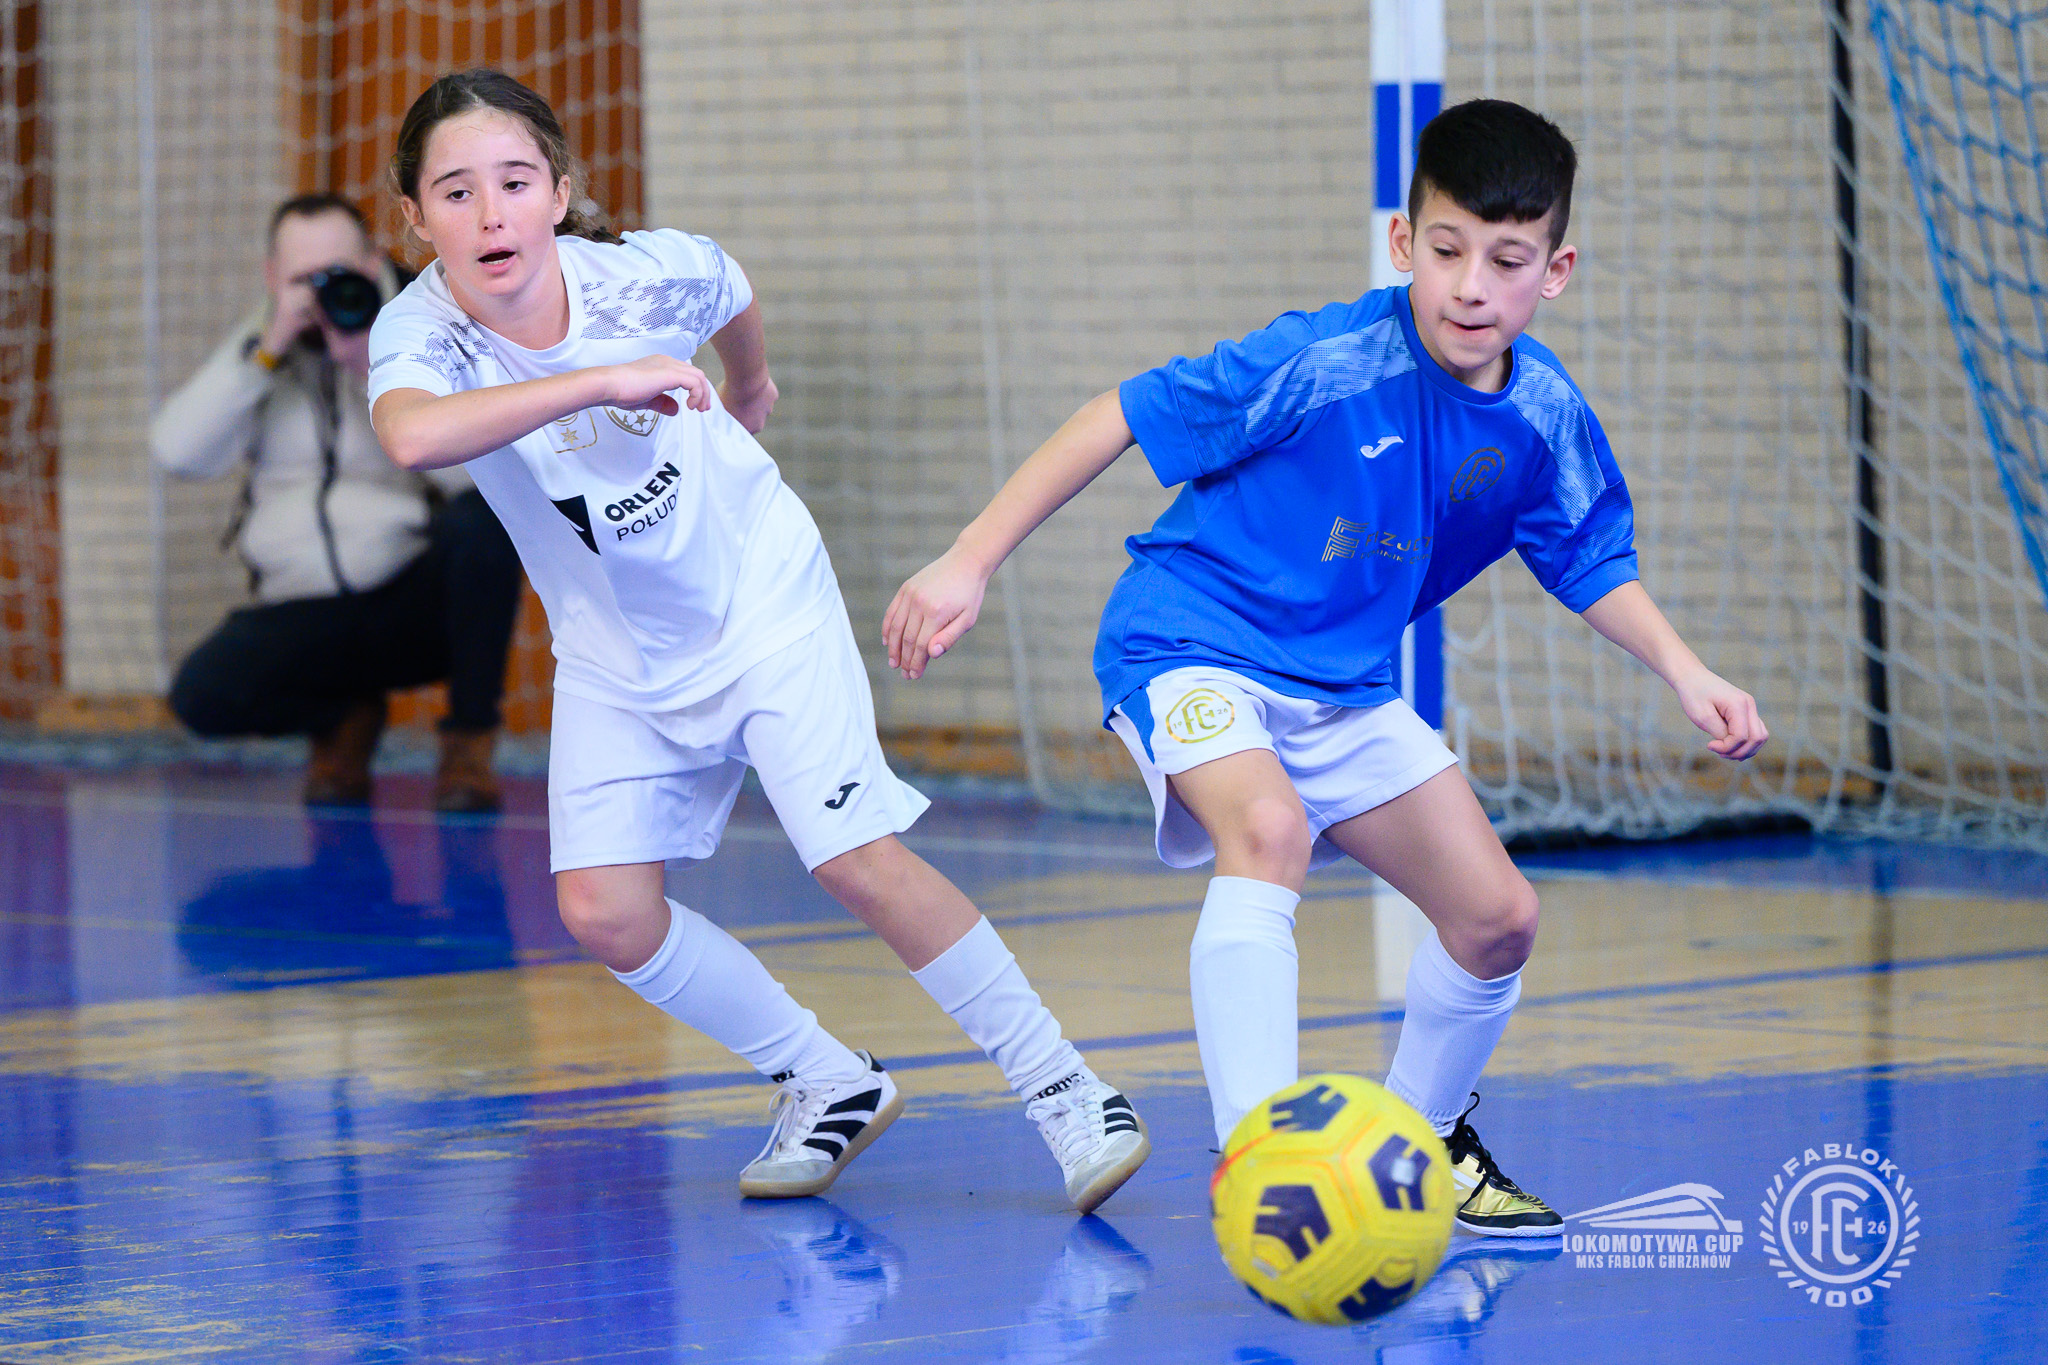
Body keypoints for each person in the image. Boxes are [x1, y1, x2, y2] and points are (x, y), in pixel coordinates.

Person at [885, 99, 1770, 1236]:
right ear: (1403, 243)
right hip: (1189, 639)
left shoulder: (1541, 412)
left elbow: (1586, 555)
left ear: (1554, 272)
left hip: (1339, 687)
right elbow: (1120, 413)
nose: (1470, 287)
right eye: (1445, 250)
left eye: (1505, 262)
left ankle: (1418, 1144)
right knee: (1268, 833)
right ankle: (1265, 1163)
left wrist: (1685, 672)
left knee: (1498, 917)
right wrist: (968, 559)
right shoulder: (1324, 358)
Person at [364, 70, 1151, 1210]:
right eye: (456, 192)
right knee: (604, 912)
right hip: (616, 650)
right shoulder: (419, 331)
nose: (491, 213)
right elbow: (411, 437)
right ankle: (824, 1077)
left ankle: (1068, 1090)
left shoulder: (644, 275)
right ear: (415, 218)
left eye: (516, 182)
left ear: (560, 193)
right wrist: (599, 383)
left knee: (850, 854)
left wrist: (752, 380)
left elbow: (730, 283)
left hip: (760, 595)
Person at [152, 193, 524, 812]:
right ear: (273, 278)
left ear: (372, 263)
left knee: (482, 524)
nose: (322, 294)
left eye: (338, 275)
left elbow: (487, 482)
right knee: (200, 696)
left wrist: (373, 371)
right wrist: (266, 351)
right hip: (303, 612)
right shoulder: (261, 342)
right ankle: (343, 719)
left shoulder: (419, 332)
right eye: (303, 279)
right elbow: (177, 453)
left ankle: (468, 746)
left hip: (407, 603)